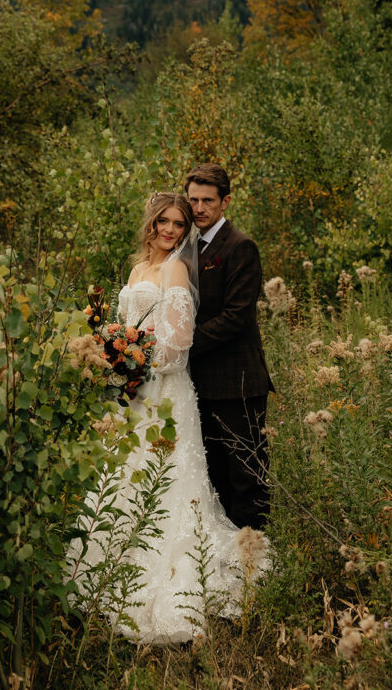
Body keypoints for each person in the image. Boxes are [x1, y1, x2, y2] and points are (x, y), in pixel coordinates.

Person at [69, 192, 262, 645]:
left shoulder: (177, 268)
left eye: (179, 224)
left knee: (167, 480)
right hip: (132, 395)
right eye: (164, 222)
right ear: (151, 223)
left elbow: (178, 346)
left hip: (164, 393)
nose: (171, 230)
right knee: (123, 478)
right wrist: (114, 357)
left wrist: (136, 363)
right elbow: (122, 326)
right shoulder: (138, 270)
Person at [186, 164, 273, 531]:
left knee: (247, 476)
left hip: (237, 384)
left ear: (225, 202)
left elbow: (236, 316)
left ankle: (258, 560)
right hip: (200, 384)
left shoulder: (240, 246)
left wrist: (181, 346)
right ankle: (228, 560)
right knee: (214, 476)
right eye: (193, 200)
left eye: (208, 200)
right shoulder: (188, 246)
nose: (199, 208)